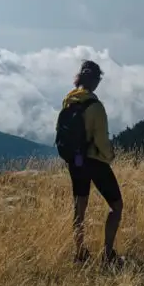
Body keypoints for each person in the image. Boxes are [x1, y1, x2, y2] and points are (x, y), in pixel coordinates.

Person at [57, 59, 123, 266]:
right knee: (116, 206)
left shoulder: (68, 100)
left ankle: (80, 253)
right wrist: (109, 156)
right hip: (95, 162)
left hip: (75, 161)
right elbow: (101, 139)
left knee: (80, 207)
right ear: (95, 80)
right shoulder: (95, 106)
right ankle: (108, 254)